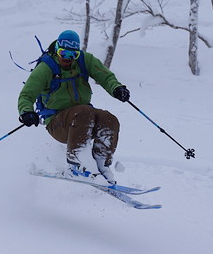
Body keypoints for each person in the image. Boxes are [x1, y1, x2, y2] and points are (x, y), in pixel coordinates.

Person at [17, 30, 130, 183]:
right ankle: (77, 160)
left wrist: (116, 88)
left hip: (83, 120)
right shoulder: (46, 67)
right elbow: (26, 95)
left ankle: (101, 163)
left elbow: (105, 76)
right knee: (84, 112)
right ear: (57, 49)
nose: (67, 59)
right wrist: (26, 112)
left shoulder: (85, 60)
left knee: (109, 119)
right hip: (58, 123)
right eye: (63, 53)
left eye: (72, 55)